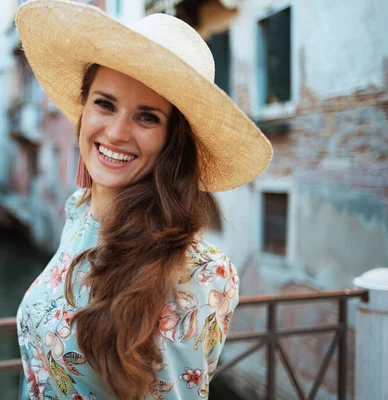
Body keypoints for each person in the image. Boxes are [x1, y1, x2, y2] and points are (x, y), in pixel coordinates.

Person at [15, 1, 272, 399]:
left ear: (173, 140)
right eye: (105, 103)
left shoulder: (203, 276)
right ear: (84, 110)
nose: (116, 132)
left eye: (147, 117)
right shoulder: (79, 211)